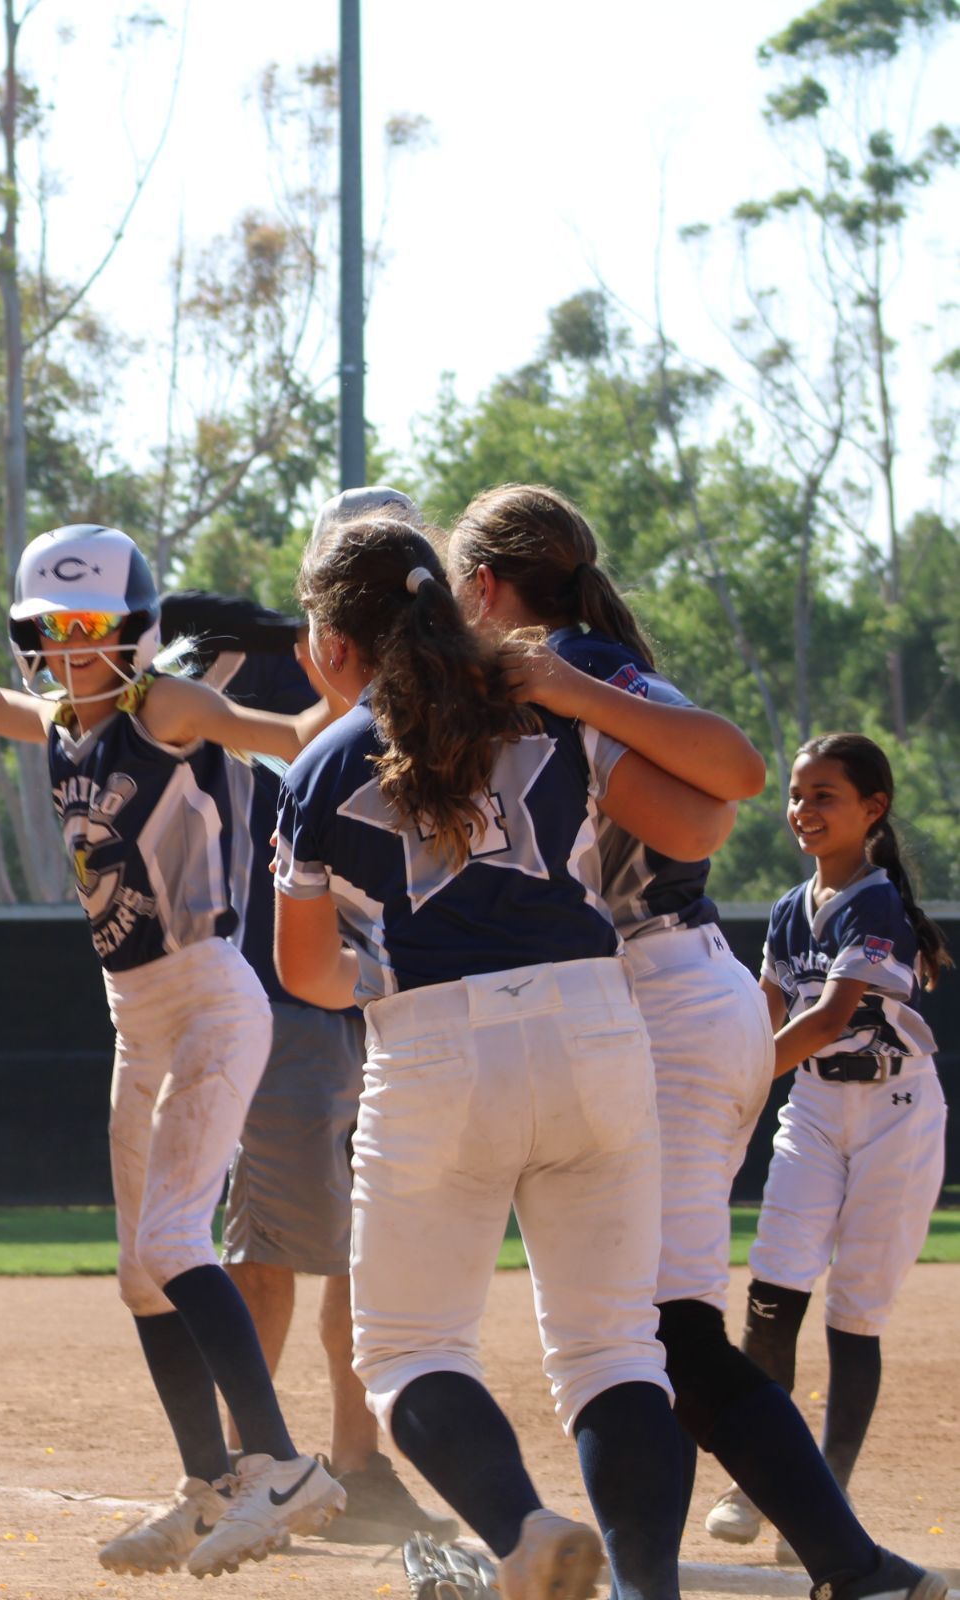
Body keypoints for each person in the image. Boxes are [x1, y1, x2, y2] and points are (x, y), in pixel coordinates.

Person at [446, 486, 949, 1600]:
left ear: (486, 587)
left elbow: (729, 779)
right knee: (661, 1330)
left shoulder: (571, 668)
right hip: (660, 1005)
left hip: (662, 1005)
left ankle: (746, 1574)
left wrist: (564, 686)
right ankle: (843, 1568)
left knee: (645, 1332)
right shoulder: (547, 678)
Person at [273, 511, 739, 1600]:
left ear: (336, 643)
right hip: (594, 1025)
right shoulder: (545, 710)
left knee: (406, 1347)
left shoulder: (322, 764)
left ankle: (523, 1528)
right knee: (615, 1350)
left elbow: (307, 973)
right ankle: (645, 1589)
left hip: (435, 1045)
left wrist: (376, 977)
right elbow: (703, 821)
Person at [0, 497, 346, 1579]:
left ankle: (282, 1466)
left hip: (207, 997)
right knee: (140, 1276)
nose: (68, 650)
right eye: (51, 631)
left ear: (135, 629)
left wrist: (362, 691)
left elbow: (289, 739)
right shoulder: (61, 722)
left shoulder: (167, 708)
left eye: (89, 628)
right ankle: (206, 1488)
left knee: (171, 1243)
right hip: (132, 1017)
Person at [162, 486, 459, 1545]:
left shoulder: (441, 678)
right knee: (275, 1243)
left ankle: (353, 1461)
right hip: (289, 995)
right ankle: (258, 1462)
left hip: (396, 997)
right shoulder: (262, 655)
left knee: (368, 1242)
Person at [706, 734, 949, 1579]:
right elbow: (766, 1013)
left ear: (872, 809)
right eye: (798, 796)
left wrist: (728, 1084)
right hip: (814, 1108)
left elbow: (826, 1019)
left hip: (895, 1113)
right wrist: (729, 1072)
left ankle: (826, 1491)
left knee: (855, 1311)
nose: (804, 811)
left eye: (826, 797)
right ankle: (761, 1480)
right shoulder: (787, 907)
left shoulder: (874, 905)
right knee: (773, 1286)